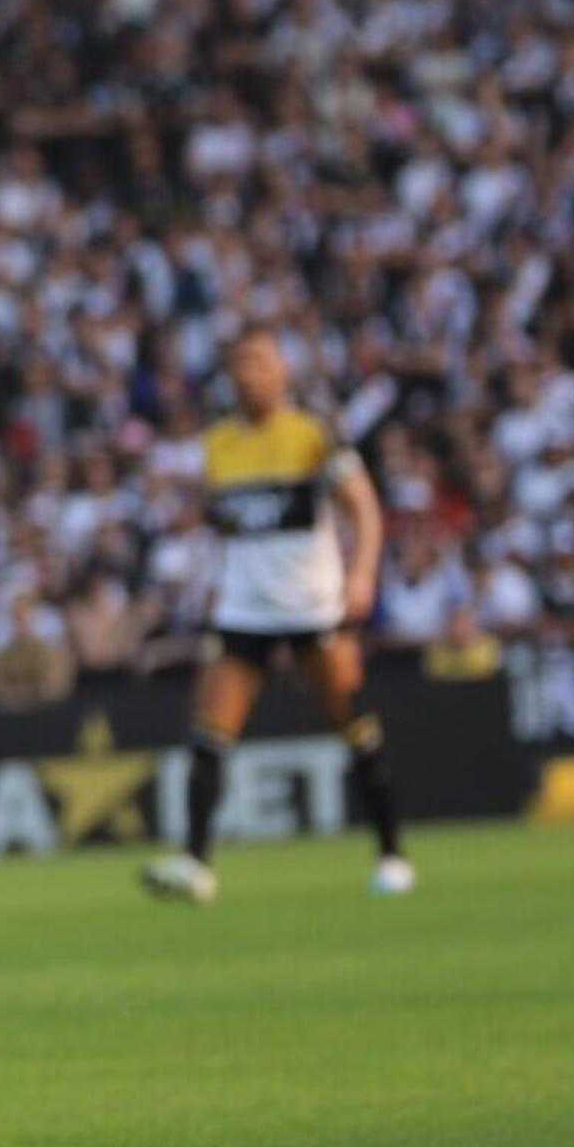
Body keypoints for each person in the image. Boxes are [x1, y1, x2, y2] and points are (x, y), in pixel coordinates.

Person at [142, 324, 411, 904]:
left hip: (312, 605)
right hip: (244, 608)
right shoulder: (217, 446)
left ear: (282, 371)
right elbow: (232, 525)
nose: (249, 374)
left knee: (354, 725)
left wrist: (362, 575)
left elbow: (363, 510)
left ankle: (392, 853)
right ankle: (195, 863)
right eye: (240, 363)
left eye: (260, 362)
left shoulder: (312, 435)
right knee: (208, 732)